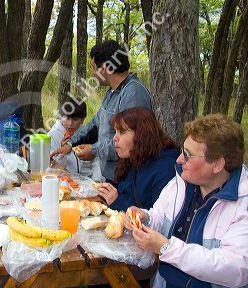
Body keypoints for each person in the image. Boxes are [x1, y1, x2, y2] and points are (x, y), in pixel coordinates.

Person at [124, 114, 248, 287]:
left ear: (217, 165)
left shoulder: (243, 203)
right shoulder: (182, 180)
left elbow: (236, 268)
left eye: (188, 154)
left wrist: (166, 248)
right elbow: (159, 215)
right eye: (182, 150)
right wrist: (144, 218)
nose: (179, 159)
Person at [51, 40, 152, 181]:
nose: (92, 73)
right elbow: (95, 124)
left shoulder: (133, 94)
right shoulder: (112, 92)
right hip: (111, 175)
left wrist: (94, 150)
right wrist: (71, 143)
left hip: (127, 177)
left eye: (93, 67)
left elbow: (131, 141)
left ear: (104, 68)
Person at [94, 107, 179, 211]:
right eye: (115, 132)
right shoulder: (133, 156)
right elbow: (125, 193)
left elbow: (154, 219)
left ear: (141, 135)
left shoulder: (165, 169)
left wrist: (116, 201)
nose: (115, 138)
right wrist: (105, 193)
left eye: (121, 132)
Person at [48, 97, 102, 180]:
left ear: (83, 120)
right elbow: (52, 167)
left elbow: (96, 159)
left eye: (75, 119)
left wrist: (96, 180)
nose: (70, 123)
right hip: (64, 180)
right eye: (67, 118)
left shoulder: (87, 133)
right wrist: (64, 155)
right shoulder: (53, 136)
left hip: (87, 180)